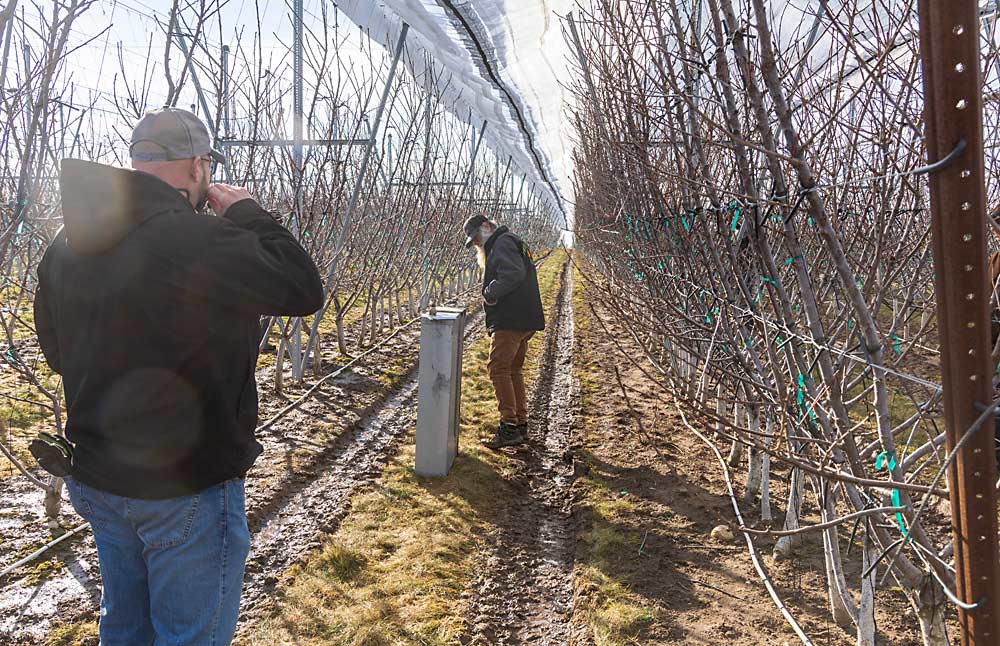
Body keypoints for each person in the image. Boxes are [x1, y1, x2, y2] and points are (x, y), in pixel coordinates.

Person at [34, 107, 324, 645]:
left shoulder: (66, 243)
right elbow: (303, 287)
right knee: (187, 635)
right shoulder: (192, 239)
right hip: (184, 485)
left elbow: (56, 351)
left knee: (124, 627)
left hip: (99, 476)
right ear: (197, 167)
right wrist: (250, 215)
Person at [463, 215, 545, 449]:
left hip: (511, 318)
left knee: (498, 368)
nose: (477, 244)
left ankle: (509, 427)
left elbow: (512, 274)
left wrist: (490, 293)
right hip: (523, 317)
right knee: (512, 369)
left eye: (477, 238)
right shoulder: (512, 241)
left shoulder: (503, 243)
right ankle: (520, 423)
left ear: (487, 227)